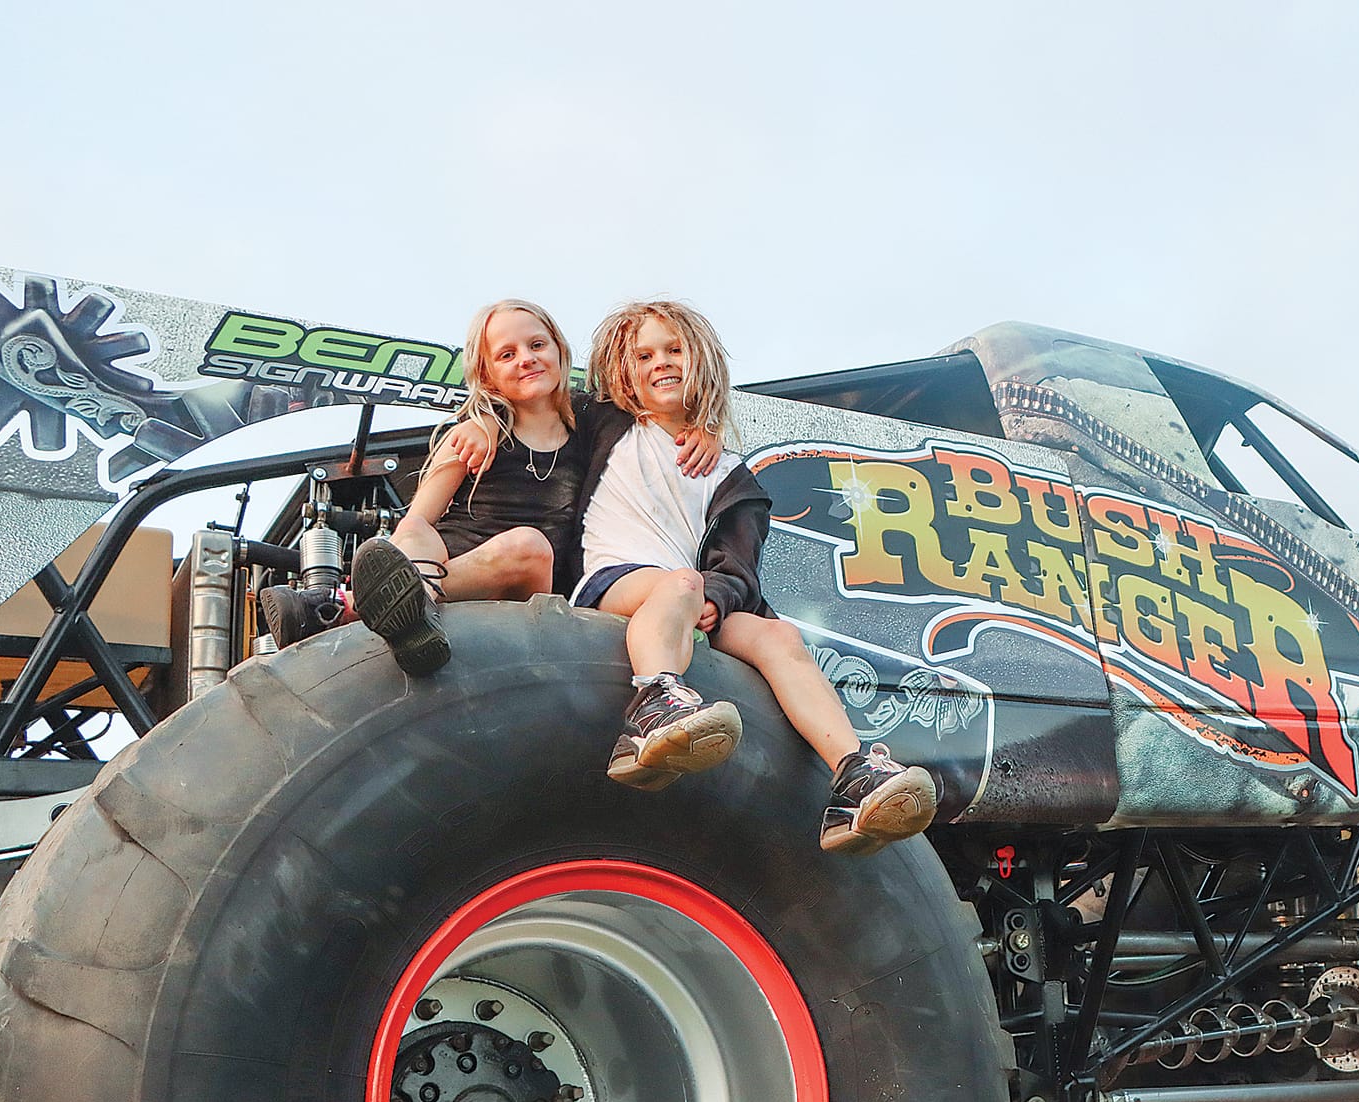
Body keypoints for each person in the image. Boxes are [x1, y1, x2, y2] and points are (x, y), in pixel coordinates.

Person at [570, 298, 937, 854]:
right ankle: (651, 708)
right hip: (614, 581)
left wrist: (719, 596)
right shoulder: (606, 426)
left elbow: (737, 567)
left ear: (703, 364)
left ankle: (853, 775)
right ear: (625, 374)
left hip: (688, 599)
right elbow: (534, 413)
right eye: (644, 356)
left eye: (674, 350)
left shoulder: (732, 474)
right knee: (680, 584)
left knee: (779, 635)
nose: (660, 363)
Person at [257, 299, 665, 676]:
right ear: (487, 373)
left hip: (527, 581)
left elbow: (657, 411)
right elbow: (416, 519)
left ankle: (339, 608)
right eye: (507, 354)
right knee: (415, 530)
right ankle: (412, 619)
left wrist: (705, 433)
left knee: (530, 546)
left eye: (537, 344)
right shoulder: (471, 434)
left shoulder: (590, 424)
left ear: (559, 348)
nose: (526, 359)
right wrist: (484, 420)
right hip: (450, 560)